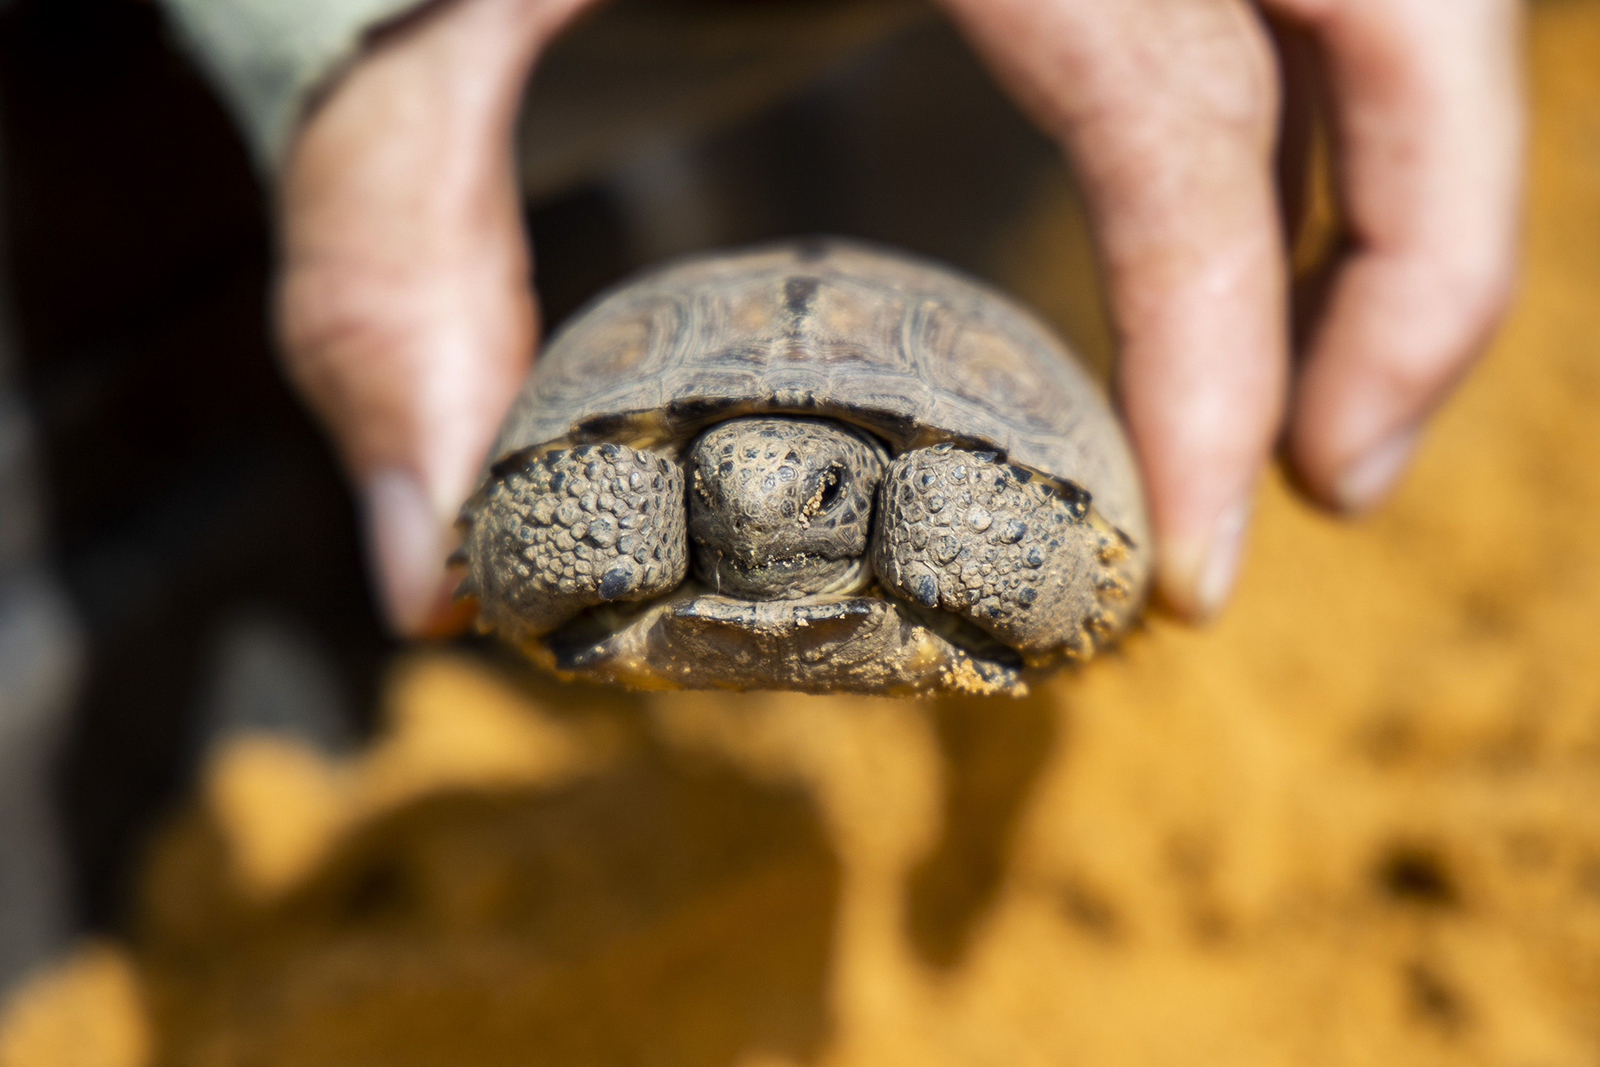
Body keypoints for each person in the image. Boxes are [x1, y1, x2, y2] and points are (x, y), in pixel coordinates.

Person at [164, 0, 1523, 634]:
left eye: (805, 487)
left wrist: (1066, 565)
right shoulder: (656, 507)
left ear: (864, 487)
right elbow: (556, 520)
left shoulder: (932, 505)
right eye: (719, 487)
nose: (755, 513)